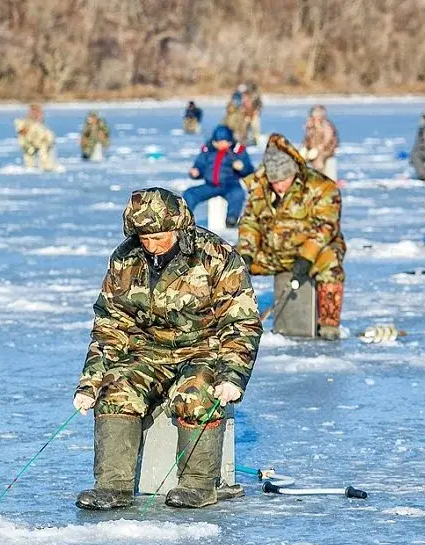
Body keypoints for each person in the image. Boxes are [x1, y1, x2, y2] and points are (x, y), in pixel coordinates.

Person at [72, 187, 262, 510]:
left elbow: (241, 321)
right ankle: (112, 486)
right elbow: (111, 324)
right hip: (148, 352)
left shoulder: (215, 255)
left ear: (178, 227)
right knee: (116, 387)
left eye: (159, 236)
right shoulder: (125, 260)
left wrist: (232, 375)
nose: (152, 245)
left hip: (204, 349)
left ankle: (198, 485)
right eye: (144, 237)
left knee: (197, 393)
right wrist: (91, 383)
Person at [238, 134, 346, 340]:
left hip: (310, 254)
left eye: (283, 180)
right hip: (273, 253)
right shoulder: (260, 190)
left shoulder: (321, 187)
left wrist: (306, 257)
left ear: (293, 173)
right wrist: (246, 254)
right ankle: (232, 318)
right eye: (274, 181)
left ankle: (328, 324)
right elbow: (250, 223)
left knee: (331, 261)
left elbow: (326, 227)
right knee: (229, 262)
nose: (279, 186)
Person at [183, 125, 254, 228]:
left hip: (230, 185)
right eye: (218, 142)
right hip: (210, 185)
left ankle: (231, 219)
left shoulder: (237, 151)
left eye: (224, 142)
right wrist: (196, 171)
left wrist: (242, 167)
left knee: (238, 195)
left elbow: (249, 170)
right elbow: (200, 165)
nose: (221, 144)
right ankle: (185, 218)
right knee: (190, 194)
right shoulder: (208, 151)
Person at [300, 105, 339, 180]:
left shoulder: (326, 126)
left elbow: (329, 139)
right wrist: (305, 148)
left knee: (319, 164)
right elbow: (307, 139)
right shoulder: (310, 127)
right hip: (314, 150)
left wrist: (320, 148)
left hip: (325, 151)